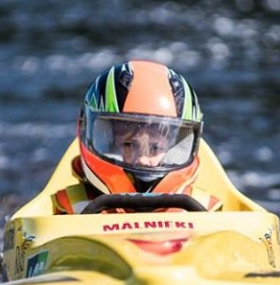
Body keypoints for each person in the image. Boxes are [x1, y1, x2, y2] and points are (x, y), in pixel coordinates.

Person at [52, 60, 222, 214]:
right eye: (129, 144)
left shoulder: (205, 209)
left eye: (154, 148)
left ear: (172, 148)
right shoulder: (71, 207)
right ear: (109, 143)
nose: (142, 160)